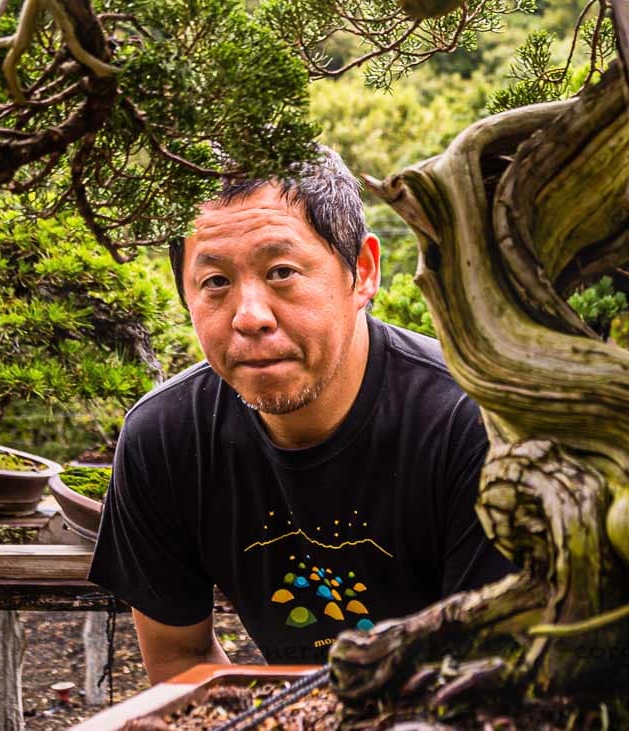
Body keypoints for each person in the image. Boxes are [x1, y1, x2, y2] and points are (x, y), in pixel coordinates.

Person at [88, 148, 516, 682]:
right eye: (215, 281)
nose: (250, 317)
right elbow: (180, 658)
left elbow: (491, 677)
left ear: (362, 272)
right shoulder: (165, 437)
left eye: (282, 272)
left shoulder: (473, 421)